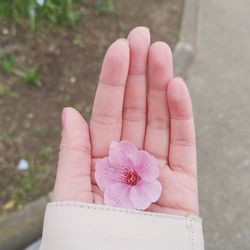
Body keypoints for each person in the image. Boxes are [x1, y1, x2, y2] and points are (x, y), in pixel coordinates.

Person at [39, 27, 204, 250]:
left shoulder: (144, 175)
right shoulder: (122, 179)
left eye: (131, 175)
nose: (130, 176)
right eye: (130, 176)